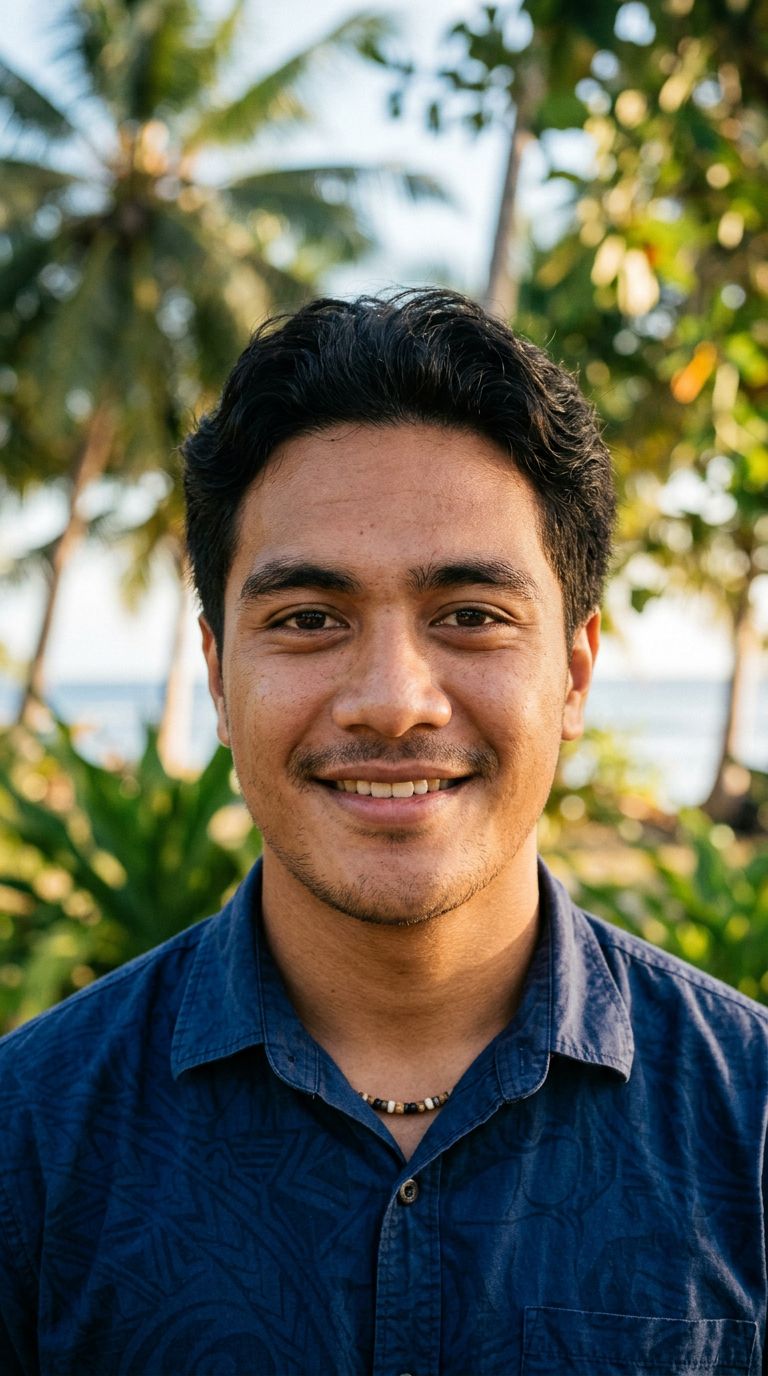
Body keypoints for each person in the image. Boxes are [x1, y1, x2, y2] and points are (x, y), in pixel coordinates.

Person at [0, 289, 766, 1376]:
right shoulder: (28, 1141)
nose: (393, 699)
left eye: (469, 615)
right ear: (220, 679)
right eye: (310, 619)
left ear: (575, 673)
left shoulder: (752, 1121)